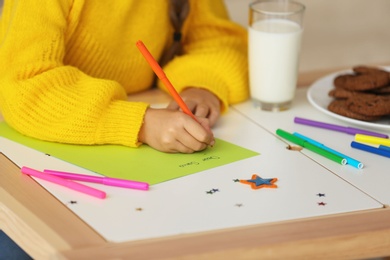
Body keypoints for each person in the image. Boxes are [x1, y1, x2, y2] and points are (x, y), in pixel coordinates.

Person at [0, 0, 248, 154]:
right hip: (46, 153)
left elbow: (218, 40)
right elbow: (24, 85)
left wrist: (202, 87)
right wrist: (142, 124)